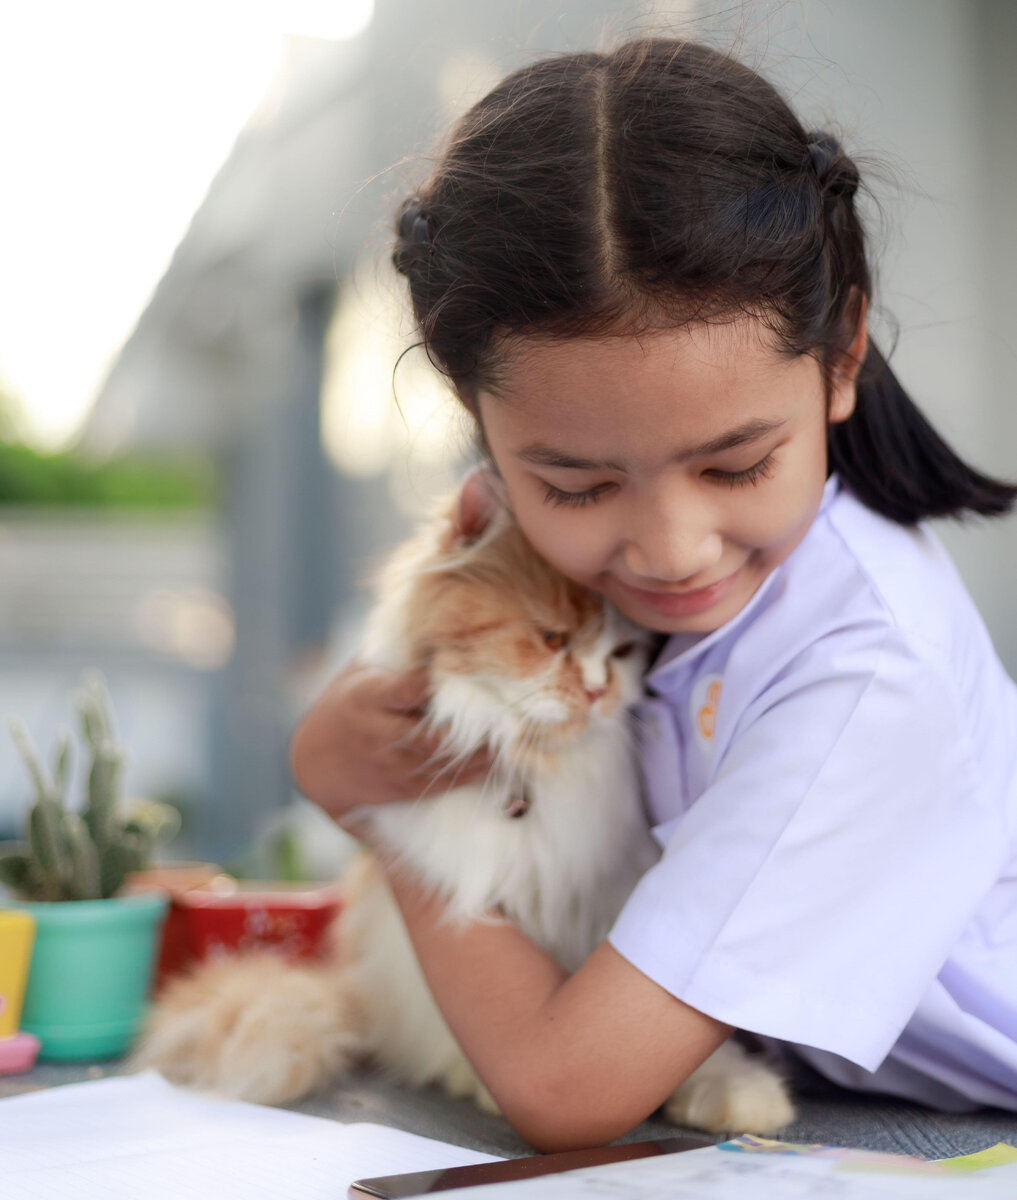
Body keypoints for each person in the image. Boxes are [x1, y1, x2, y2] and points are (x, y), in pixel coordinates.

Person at [289, 38, 1017, 1151]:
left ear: (841, 355)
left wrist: (381, 814)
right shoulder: (573, 556)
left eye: (734, 466)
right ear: (482, 437)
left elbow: (567, 1090)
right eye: (575, 485)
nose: (671, 552)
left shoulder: (866, 675)